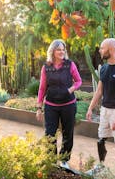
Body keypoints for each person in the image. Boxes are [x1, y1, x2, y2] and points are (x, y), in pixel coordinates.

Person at [86, 38, 115, 179]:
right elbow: (99, 91)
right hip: (105, 110)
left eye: (102, 48)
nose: (100, 50)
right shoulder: (105, 68)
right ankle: (100, 166)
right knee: (101, 139)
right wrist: (90, 108)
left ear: (111, 49)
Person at [36, 39, 82, 168]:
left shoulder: (70, 65)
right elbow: (42, 87)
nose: (62, 52)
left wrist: (70, 89)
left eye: (63, 49)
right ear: (53, 51)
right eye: (59, 49)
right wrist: (39, 107)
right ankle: (51, 161)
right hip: (51, 106)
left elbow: (78, 81)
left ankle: (64, 160)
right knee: (49, 133)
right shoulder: (46, 67)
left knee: (68, 133)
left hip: (68, 105)